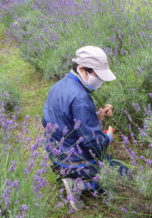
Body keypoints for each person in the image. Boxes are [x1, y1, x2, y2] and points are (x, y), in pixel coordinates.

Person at [42, 46, 127, 211]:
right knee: (121, 173)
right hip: (72, 160)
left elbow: (62, 119)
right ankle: (78, 184)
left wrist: (96, 116)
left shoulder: (60, 85)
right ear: (82, 69)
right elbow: (94, 143)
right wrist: (108, 137)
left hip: (56, 153)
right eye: (98, 75)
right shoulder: (80, 97)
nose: (100, 81)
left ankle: (69, 175)